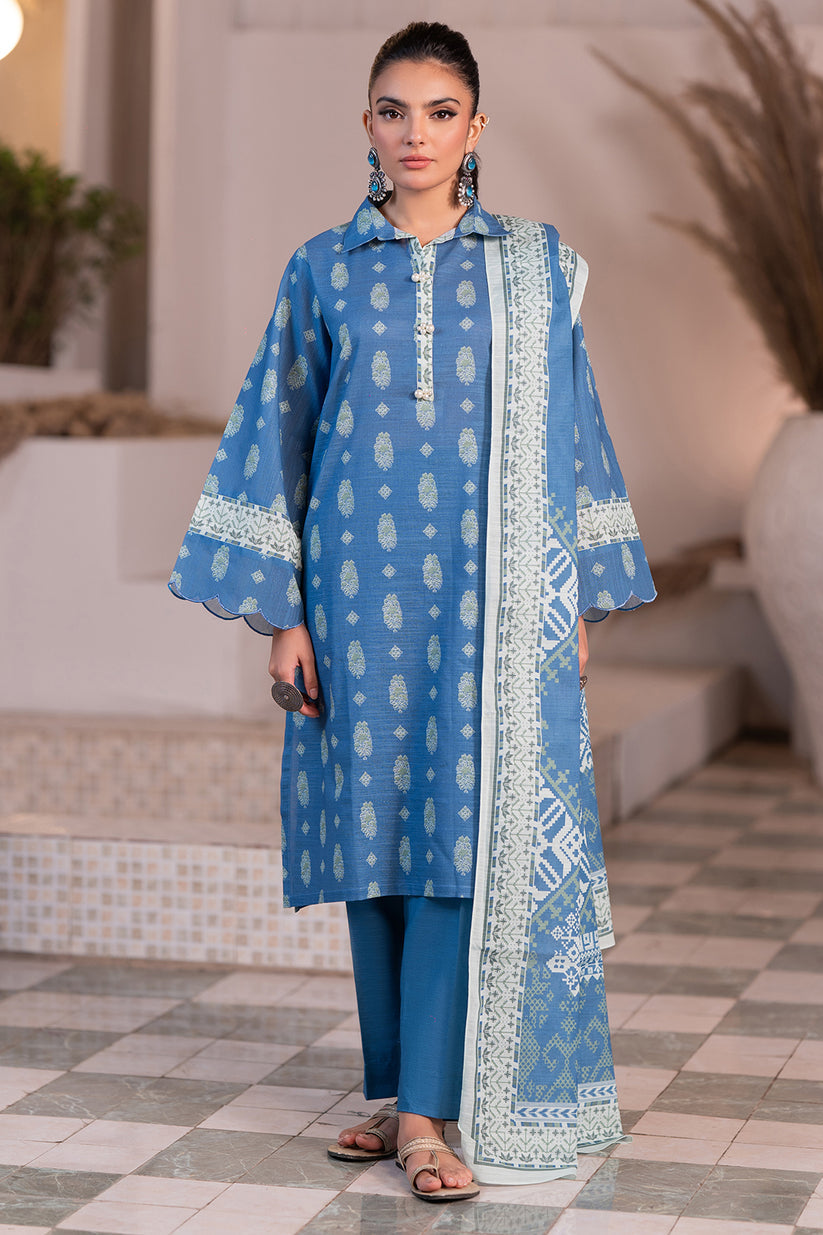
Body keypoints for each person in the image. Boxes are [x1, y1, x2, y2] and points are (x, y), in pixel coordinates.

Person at [169, 20, 655, 1203]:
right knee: (377, 841)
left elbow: (573, 427)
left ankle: (434, 1116)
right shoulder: (323, 268)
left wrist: (572, 595)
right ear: (367, 125)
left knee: (455, 839)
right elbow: (276, 433)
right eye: (395, 110)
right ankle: (396, 1093)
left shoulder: (530, 267)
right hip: (352, 594)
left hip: (487, 600)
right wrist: (285, 612)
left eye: (440, 112)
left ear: (476, 128)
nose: (416, 134)